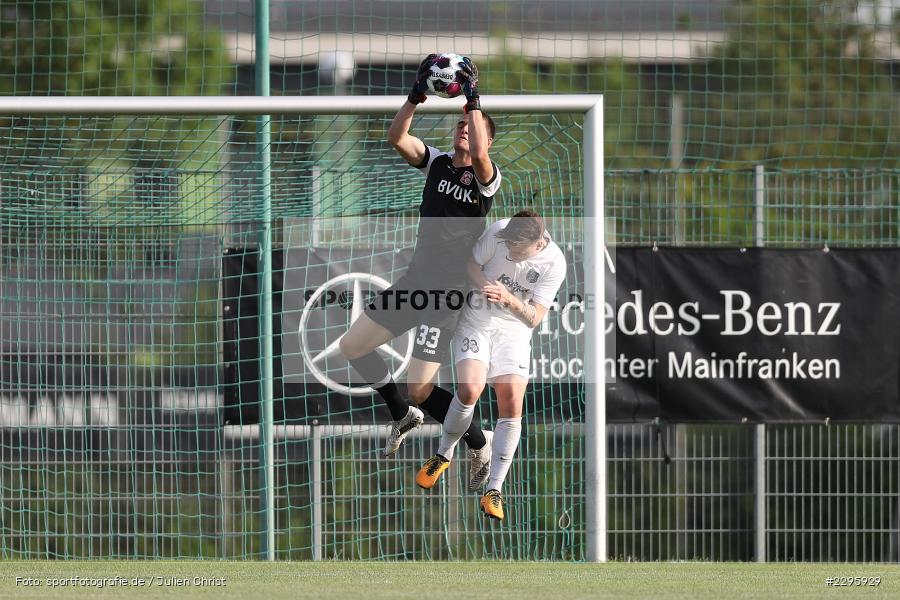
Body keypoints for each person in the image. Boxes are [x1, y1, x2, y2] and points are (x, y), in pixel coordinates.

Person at [338, 53, 502, 491]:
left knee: (421, 388)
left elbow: (482, 153)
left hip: (445, 297)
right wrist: (415, 95)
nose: (463, 127)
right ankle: (400, 415)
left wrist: (472, 97)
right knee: (352, 345)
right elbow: (397, 135)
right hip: (413, 285)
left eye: (472, 124)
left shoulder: (487, 180)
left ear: (486, 135)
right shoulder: (438, 162)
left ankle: (477, 439)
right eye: (461, 124)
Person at [414, 210, 567, 521]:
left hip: (513, 331)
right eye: (506, 244)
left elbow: (535, 318)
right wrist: (485, 283)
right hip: (476, 320)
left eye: (516, 249)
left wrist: (508, 298)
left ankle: (494, 489)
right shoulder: (499, 232)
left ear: (537, 246)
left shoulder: (554, 263)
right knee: (470, 389)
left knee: (511, 403)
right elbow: (471, 265)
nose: (508, 252)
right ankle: (443, 454)